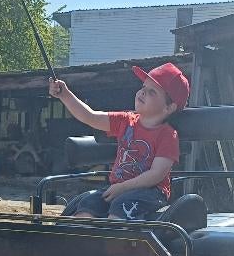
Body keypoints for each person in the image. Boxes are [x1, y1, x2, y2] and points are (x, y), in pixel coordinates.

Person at [48, 62, 190, 220]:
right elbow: (90, 117)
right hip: (116, 188)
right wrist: (65, 95)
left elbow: (156, 175)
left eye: (152, 92)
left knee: (120, 207)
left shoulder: (168, 135)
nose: (142, 92)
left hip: (150, 192)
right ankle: (79, 240)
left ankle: (111, 243)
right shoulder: (125, 121)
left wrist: (122, 188)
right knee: (88, 203)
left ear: (169, 108)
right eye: (143, 87)